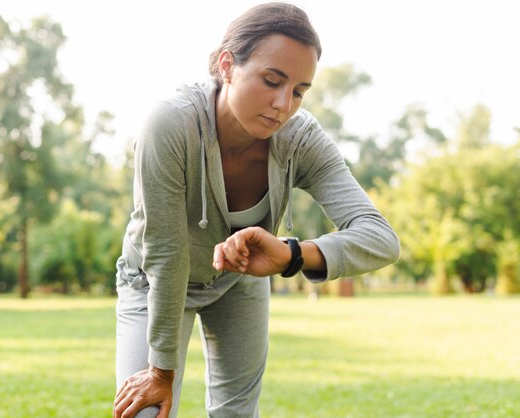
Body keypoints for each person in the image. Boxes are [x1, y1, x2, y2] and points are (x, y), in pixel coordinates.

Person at [113, 3, 400, 417]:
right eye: (272, 80)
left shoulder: (300, 141)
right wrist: (161, 371)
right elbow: (166, 255)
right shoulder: (171, 125)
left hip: (239, 283)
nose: (284, 104)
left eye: (299, 91)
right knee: (144, 412)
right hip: (154, 282)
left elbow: (380, 238)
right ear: (227, 65)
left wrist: (292, 255)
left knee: (236, 414)